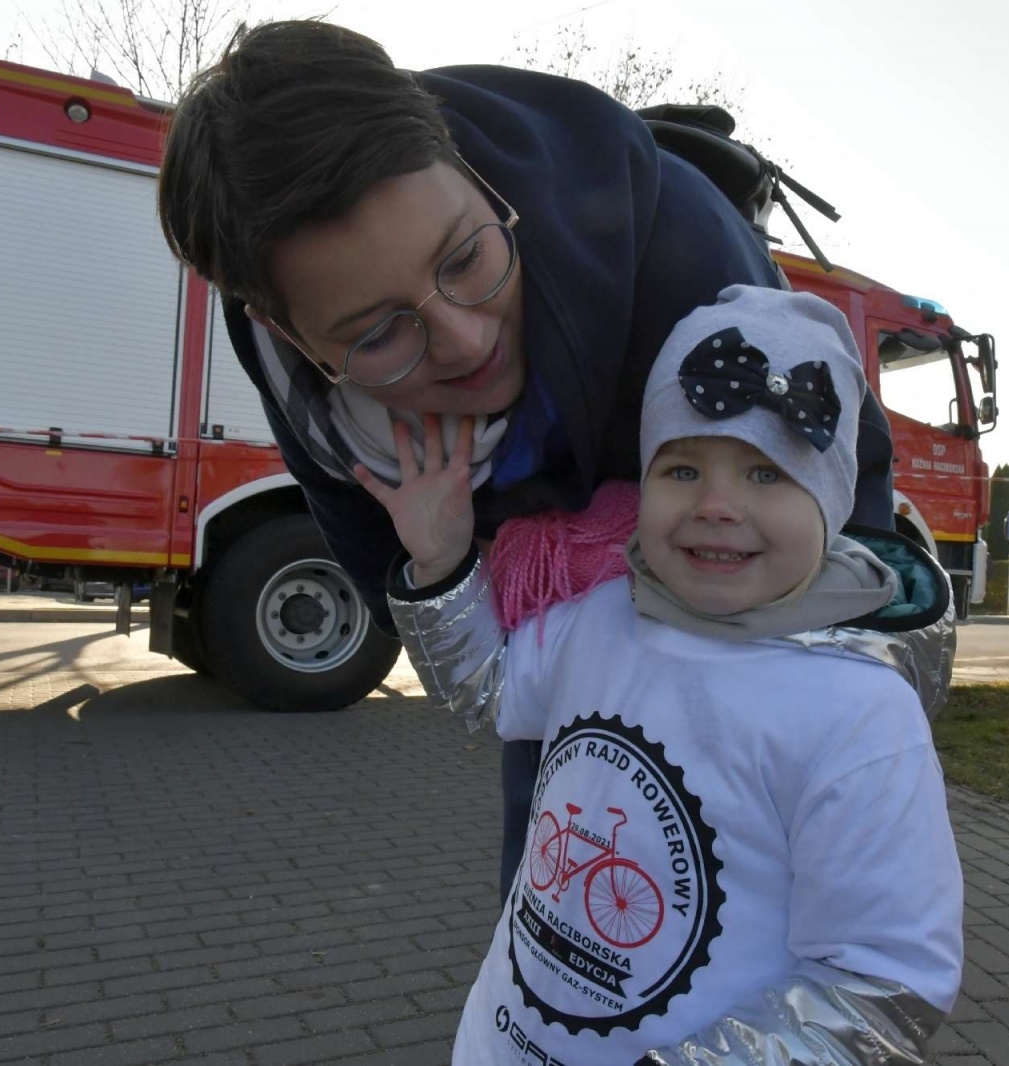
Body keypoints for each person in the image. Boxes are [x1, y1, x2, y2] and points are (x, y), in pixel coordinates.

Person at [156, 19, 900, 899]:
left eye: (467, 257)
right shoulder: (303, 383)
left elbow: (848, 506)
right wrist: (438, 573)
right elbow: (466, 655)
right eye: (380, 335)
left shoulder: (682, 249)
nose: (467, 341)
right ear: (291, 336)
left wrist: (855, 738)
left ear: (471, 172)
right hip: (567, 729)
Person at [371, 285, 963, 1064]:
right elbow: (492, 688)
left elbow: (885, 982)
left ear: (831, 502)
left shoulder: (859, 716)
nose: (717, 504)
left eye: (766, 475)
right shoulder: (605, 615)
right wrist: (441, 562)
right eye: (682, 470)